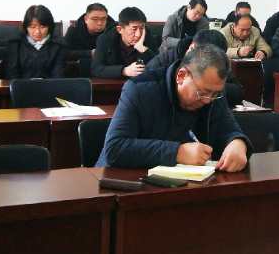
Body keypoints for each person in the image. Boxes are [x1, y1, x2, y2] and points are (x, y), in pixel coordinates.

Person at [95, 44, 252, 171]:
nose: (207, 100)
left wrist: (238, 143)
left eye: (215, 94)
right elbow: (114, 149)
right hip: (125, 183)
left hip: (186, 186)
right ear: (181, 76)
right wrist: (178, 152)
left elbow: (229, 129)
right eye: (202, 93)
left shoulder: (212, 92)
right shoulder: (139, 89)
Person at [143, 29, 244, 106]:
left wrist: (210, 88)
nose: (212, 64)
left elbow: (238, 92)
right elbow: (146, 88)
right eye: (208, 59)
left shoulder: (218, 64)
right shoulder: (164, 60)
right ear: (192, 48)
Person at [1, 5, 65, 80]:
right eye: (32, 27)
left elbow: (58, 76)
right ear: (26, 27)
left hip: (49, 86)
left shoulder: (58, 45)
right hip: (20, 86)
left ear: (50, 26)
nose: (37, 32)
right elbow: (11, 74)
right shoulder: (15, 43)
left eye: (42, 27)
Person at [92, 7, 156, 79]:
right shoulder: (105, 39)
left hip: (139, 83)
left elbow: (158, 68)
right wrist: (124, 71)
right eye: (134, 29)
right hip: (112, 82)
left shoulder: (147, 37)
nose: (138, 34)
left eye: (141, 28)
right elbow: (96, 69)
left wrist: (144, 50)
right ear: (120, 29)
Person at [64, 3, 116, 76]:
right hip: (79, 69)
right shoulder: (74, 30)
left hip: (106, 69)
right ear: (86, 19)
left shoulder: (114, 30)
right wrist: (89, 53)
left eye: (103, 19)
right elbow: (64, 53)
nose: (100, 23)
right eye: (95, 19)